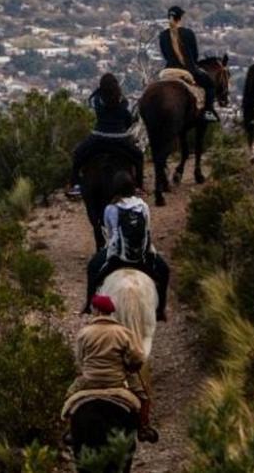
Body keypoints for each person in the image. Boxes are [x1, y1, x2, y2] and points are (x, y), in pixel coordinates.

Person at [63, 294, 157, 444]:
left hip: (89, 381)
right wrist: (131, 366)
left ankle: (70, 432)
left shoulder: (84, 333)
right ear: (109, 312)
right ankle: (143, 428)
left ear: (97, 311)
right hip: (116, 380)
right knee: (143, 397)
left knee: (69, 397)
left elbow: (79, 361)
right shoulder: (123, 332)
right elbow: (138, 357)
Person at [84, 171, 170, 321]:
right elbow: (147, 229)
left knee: (92, 268)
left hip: (117, 255)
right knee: (164, 271)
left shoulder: (110, 208)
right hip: (142, 255)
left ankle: (89, 305)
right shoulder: (142, 206)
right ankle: (161, 309)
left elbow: (110, 235)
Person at [68, 74, 145, 197]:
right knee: (138, 157)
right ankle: (138, 186)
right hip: (120, 140)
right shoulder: (123, 101)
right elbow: (128, 120)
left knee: (78, 154)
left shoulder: (97, 99)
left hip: (98, 138)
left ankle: (75, 185)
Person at [158, 6, 220, 120]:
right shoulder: (188, 33)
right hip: (187, 70)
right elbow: (195, 55)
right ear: (180, 18)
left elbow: (165, 55)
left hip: (167, 71)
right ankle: (208, 112)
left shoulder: (162, 35)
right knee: (210, 86)